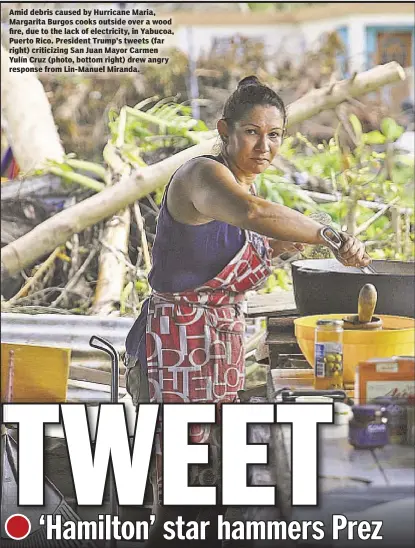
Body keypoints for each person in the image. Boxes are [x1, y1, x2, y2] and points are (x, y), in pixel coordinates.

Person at [124, 76, 371, 545]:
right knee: (177, 476)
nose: (264, 145)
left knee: (217, 471)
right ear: (225, 130)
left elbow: (267, 237)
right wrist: (328, 234)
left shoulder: (242, 184)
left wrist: (329, 248)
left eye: (274, 134)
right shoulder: (203, 175)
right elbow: (254, 214)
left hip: (218, 342)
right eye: (252, 132)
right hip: (177, 342)